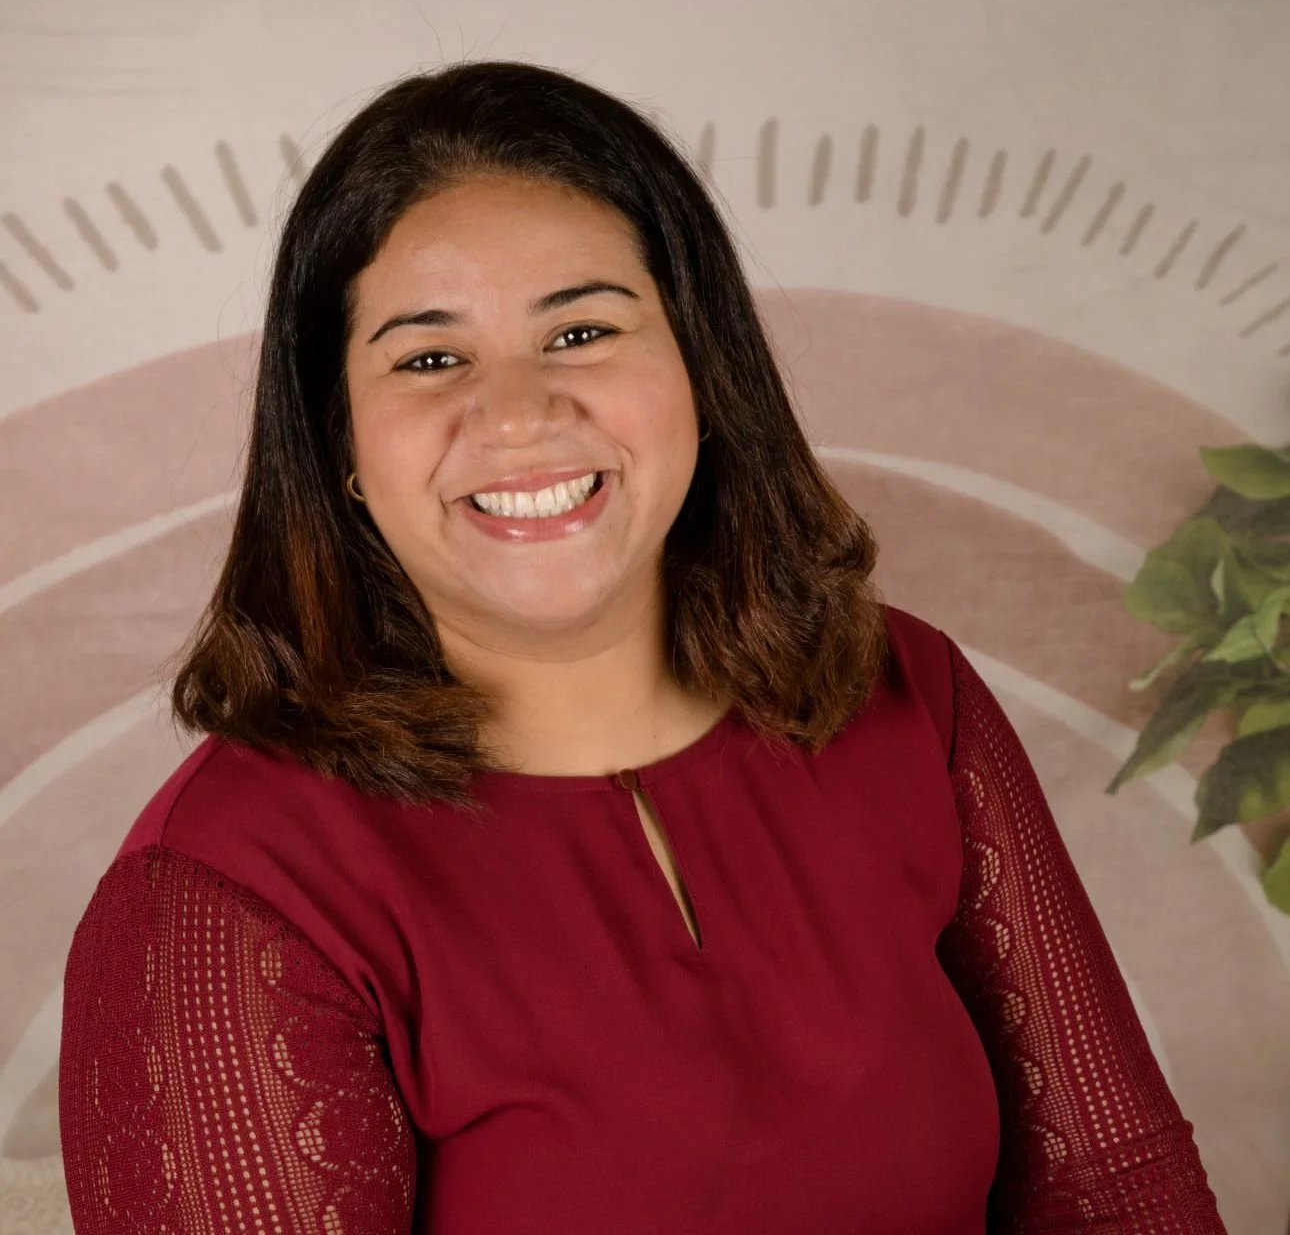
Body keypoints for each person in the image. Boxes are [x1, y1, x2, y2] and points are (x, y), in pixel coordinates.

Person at [57, 61, 1225, 1233]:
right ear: (341, 444)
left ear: (701, 374)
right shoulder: (226, 892)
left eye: (581, 329)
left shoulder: (913, 697)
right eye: (428, 356)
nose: (517, 412)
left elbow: (1119, 1187)